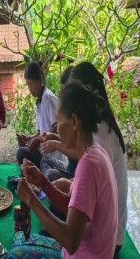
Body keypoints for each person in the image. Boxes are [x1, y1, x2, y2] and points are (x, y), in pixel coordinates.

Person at [17, 81, 118, 258]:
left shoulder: (89, 166)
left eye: (59, 119)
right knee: (20, 240)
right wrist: (43, 182)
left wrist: (31, 200)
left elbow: (71, 241)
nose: (56, 128)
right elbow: (74, 211)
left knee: (15, 254)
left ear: (73, 122)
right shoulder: (96, 152)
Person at [69, 62, 128, 256]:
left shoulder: (99, 134)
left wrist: (35, 199)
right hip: (107, 226)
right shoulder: (99, 125)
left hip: (107, 241)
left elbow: (70, 241)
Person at [16, 61, 63, 168]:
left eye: (32, 84)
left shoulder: (48, 98)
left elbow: (57, 128)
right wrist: (29, 138)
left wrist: (37, 140)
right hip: (44, 151)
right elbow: (40, 132)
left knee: (21, 153)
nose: (30, 89)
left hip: (53, 156)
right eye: (28, 85)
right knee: (22, 145)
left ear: (41, 80)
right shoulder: (40, 100)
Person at [39, 66, 78, 181]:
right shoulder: (73, 113)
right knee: (45, 160)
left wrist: (56, 145)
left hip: (75, 174)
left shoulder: (80, 119)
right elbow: (73, 143)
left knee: (51, 175)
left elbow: (80, 153)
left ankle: (48, 188)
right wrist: (54, 137)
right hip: (70, 166)